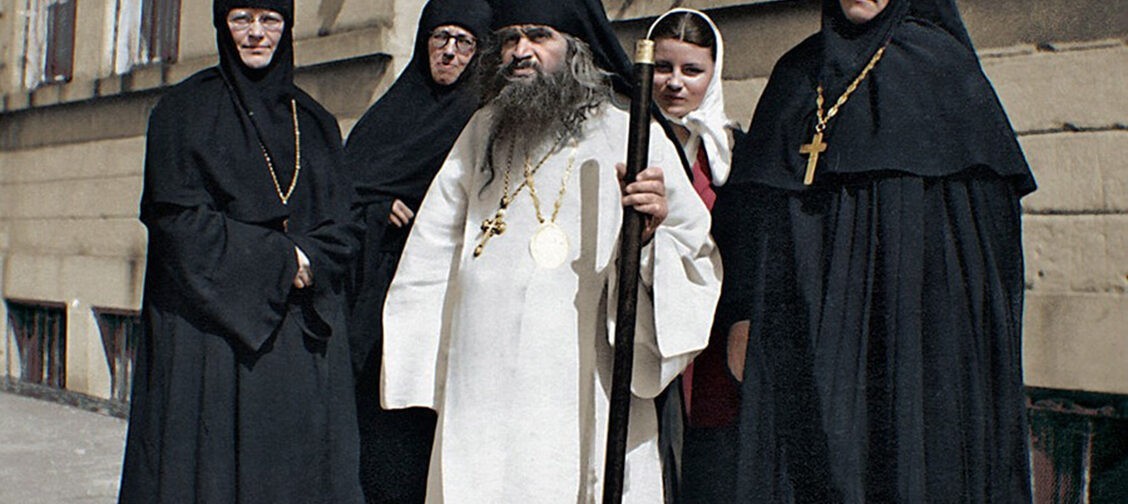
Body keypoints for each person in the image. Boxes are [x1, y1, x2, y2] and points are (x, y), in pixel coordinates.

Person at [379, 0, 722, 501]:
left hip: (575, 372)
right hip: (481, 373)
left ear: (577, 48)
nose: (521, 51)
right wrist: (419, 362)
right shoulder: (483, 129)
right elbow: (433, 245)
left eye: (539, 36)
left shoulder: (629, 133)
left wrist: (648, 239)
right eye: (510, 39)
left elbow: (693, 253)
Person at [716, 0, 1036, 501]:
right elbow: (754, 216)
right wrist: (741, 312)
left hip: (904, 337)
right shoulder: (796, 73)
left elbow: (981, 243)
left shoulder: (942, 69)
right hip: (799, 329)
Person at [118, 1, 363, 502]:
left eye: (270, 19)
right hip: (213, 341)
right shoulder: (182, 112)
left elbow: (346, 223)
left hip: (296, 346)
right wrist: (282, 261)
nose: (256, 33)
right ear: (221, 25)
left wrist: (309, 260)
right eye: (241, 19)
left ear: (286, 27)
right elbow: (176, 222)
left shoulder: (315, 122)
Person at [343, 0, 490, 501]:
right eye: (439, 38)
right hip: (378, 295)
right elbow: (342, 189)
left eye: (464, 42)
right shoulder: (391, 113)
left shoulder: (481, 119)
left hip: (445, 297)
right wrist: (376, 208)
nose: (449, 52)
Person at [646, 9, 743, 504]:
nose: (675, 83)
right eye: (663, 67)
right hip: (646, 326)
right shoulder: (629, 139)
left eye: (691, 70)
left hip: (711, 339)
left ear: (713, 73)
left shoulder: (732, 151)